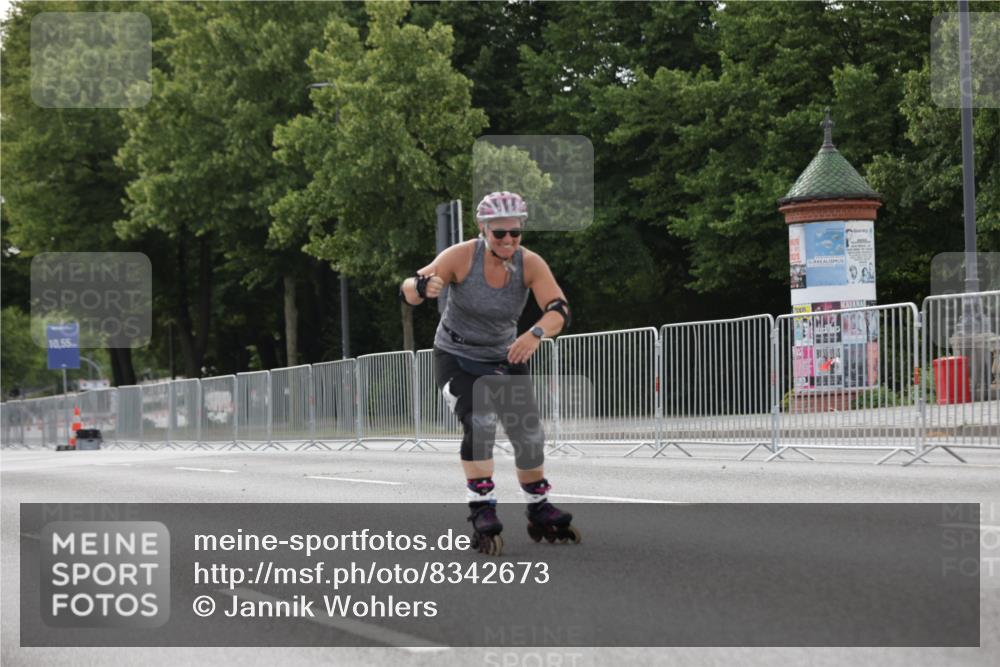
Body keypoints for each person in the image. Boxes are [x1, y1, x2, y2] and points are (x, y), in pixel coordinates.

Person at [399, 191, 579, 555]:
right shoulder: (462, 257)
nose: (509, 240)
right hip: (457, 355)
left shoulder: (530, 263)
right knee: (479, 420)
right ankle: (482, 507)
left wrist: (536, 332)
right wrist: (422, 287)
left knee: (528, 432)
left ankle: (538, 506)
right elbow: (407, 290)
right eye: (500, 234)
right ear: (483, 230)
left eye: (516, 233)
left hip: (505, 355)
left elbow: (559, 309)